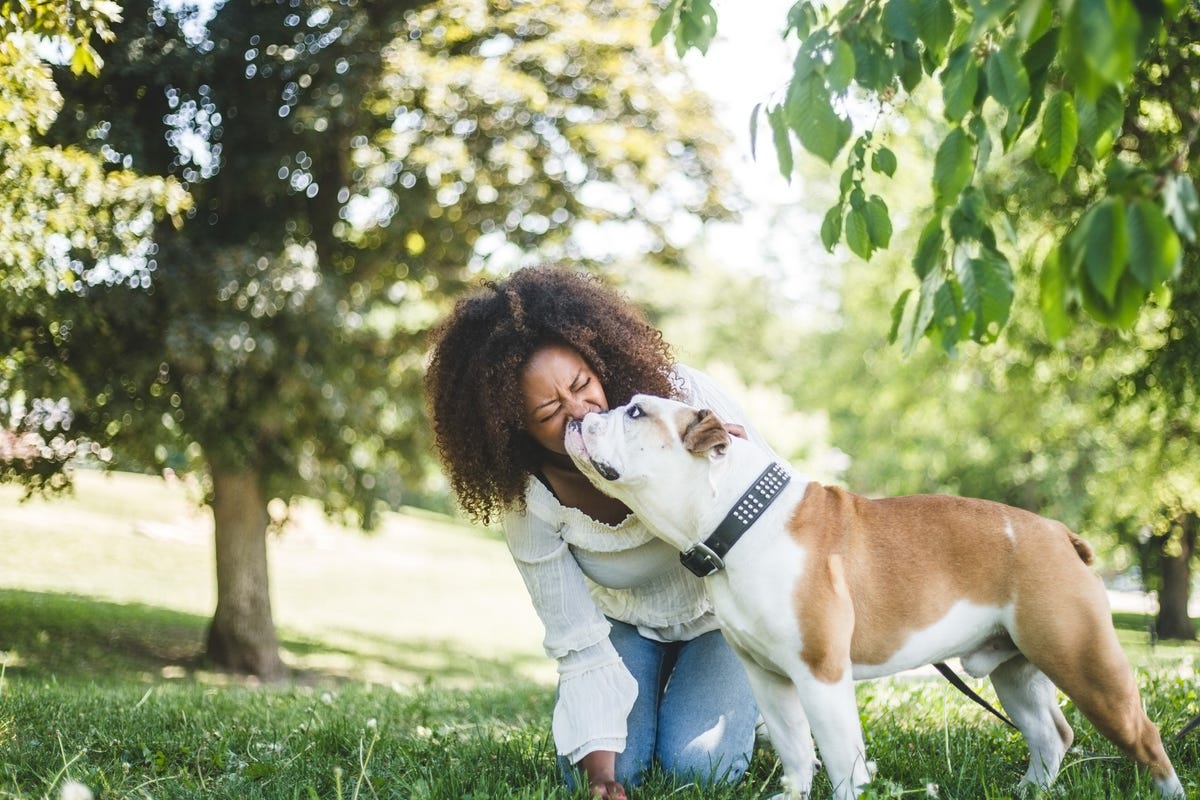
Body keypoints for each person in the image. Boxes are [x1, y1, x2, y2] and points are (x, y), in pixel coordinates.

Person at [424, 266, 774, 798]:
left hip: (722, 618)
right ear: (513, 427)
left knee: (699, 769)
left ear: (599, 360)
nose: (580, 412)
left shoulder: (680, 399)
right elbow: (576, 641)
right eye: (548, 412)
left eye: (582, 384)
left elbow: (780, 527)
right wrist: (603, 778)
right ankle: (655, 684)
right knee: (603, 771)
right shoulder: (529, 495)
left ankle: (741, 699)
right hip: (624, 627)